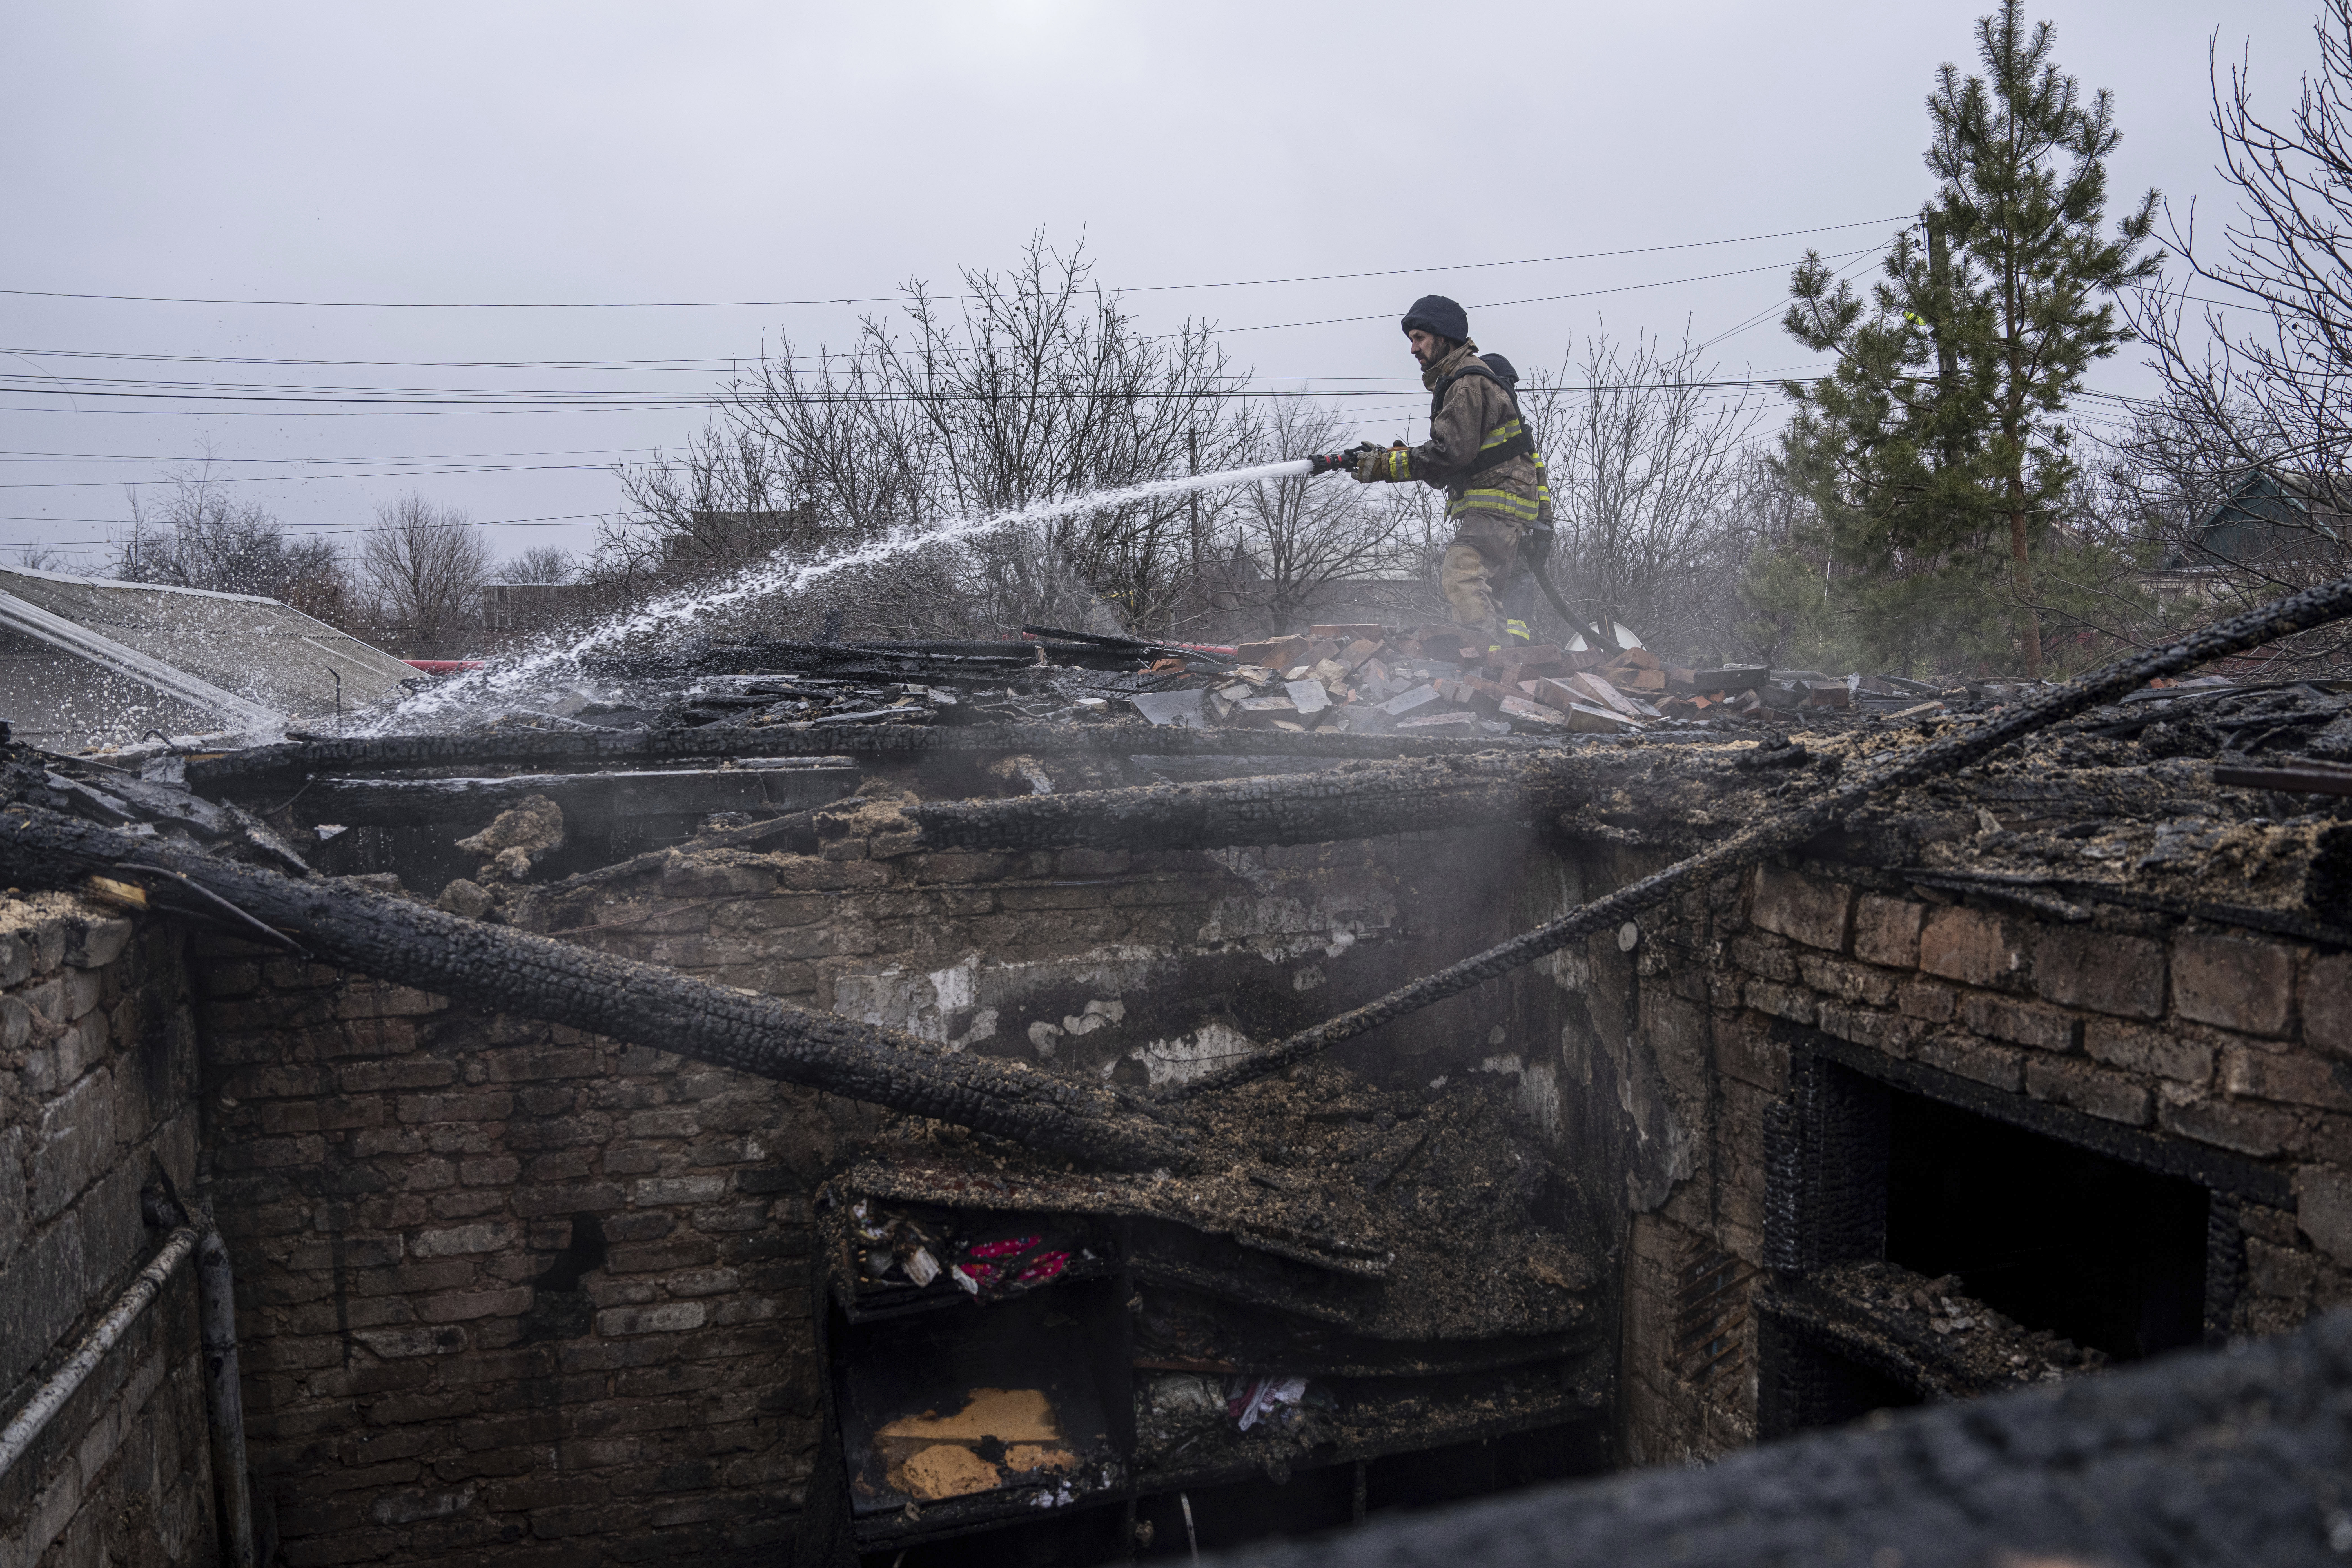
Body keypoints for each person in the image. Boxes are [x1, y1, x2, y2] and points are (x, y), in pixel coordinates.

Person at [1349, 295, 1551, 647]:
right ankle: (1503, 663)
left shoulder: (1467, 382)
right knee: (1488, 596)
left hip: (1496, 504)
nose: (1413, 349)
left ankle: (1481, 656)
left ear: (1444, 336)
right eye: (1411, 340)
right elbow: (1458, 458)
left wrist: (1384, 465)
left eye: (1419, 338)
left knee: (1461, 574)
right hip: (1503, 506)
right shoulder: (1464, 381)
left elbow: (1450, 454)